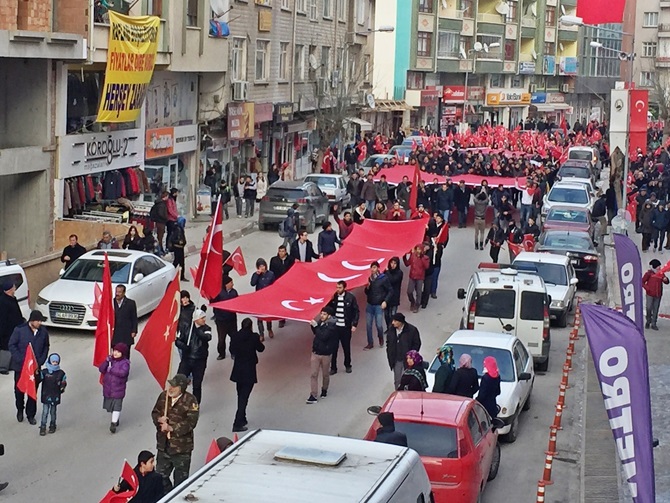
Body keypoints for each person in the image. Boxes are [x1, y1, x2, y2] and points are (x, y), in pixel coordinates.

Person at [151, 374, 200, 493]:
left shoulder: (190, 401)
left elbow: (191, 422)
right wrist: (159, 419)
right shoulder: (164, 396)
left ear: (182, 388)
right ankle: (168, 494)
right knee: (159, 477)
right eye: (170, 385)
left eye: (174, 386)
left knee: (181, 483)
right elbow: (155, 412)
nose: (171, 388)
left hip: (181, 449)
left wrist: (172, 428)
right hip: (164, 447)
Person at [9, 310, 49, 424]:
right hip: (21, 367)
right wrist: (21, 360)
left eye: (41, 321)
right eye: (38, 321)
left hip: (35, 368)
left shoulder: (43, 332)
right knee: (19, 391)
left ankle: (31, 414)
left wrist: (40, 361)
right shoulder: (19, 330)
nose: (40, 323)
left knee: (32, 392)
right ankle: (20, 410)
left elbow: (46, 346)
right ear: (32, 320)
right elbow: (12, 345)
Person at [230, 317, 265, 432]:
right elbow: (261, 349)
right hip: (249, 370)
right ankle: (237, 422)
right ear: (251, 326)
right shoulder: (254, 337)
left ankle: (242, 417)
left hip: (238, 370)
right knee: (244, 397)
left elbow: (232, 350)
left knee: (240, 395)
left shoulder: (235, 336)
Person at [175, 308, 212, 404]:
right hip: (186, 360)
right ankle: (179, 403)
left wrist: (197, 330)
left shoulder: (207, 328)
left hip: (199, 361)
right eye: (201, 318)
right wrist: (183, 346)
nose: (204, 319)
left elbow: (207, 337)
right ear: (195, 319)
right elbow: (177, 340)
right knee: (179, 382)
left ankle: (195, 406)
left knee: (197, 385)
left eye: (204, 317)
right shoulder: (186, 328)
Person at [306, 307, 339, 404]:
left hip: (326, 354)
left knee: (325, 375)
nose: (322, 316)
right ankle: (313, 395)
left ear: (329, 316)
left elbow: (323, 336)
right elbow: (316, 334)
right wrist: (313, 326)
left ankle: (324, 390)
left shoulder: (332, 326)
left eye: (324, 314)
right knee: (313, 374)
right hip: (316, 352)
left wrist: (316, 326)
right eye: (321, 314)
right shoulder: (320, 322)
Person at [327, 281, 359, 375]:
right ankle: (333, 367)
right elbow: (329, 310)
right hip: (335, 327)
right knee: (334, 348)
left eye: (340, 287)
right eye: (337, 287)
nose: (338, 289)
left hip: (345, 327)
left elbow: (356, 311)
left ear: (344, 288)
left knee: (346, 347)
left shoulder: (350, 297)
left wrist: (354, 324)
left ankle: (348, 365)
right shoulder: (334, 297)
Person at [99, 343, 130, 434]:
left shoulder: (125, 363)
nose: (115, 353)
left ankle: (113, 423)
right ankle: (116, 418)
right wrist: (106, 361)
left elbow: (123, 373)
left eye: (118, 352)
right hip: (108, 388)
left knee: (117, 406)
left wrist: (111, 370)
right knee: (111, 406)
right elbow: (101, 369)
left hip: (118, 388)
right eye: (115, 351)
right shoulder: (110, 361)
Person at [385, 313, 422, 390]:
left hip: (407, 360)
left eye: (395, 321)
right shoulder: (391, 330)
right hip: (396, 359)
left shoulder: (412, 330)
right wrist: (390, 354)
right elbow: (388, 343)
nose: (393, 323)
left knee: (406, 379)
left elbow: (417, 343)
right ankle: (398, 396)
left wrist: (412, 356)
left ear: (400, 322)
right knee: (397, 380)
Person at [364, 261, 392, 350]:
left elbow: (390, 291)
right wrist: (367, 288)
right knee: (368, 325)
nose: (373, 269)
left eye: (374, 267)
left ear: (378, 268)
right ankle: (370, 343)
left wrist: (385, 301)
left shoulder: (383, 278)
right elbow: (367, 293)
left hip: (378, 305)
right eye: (372, 267)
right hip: (370, 304)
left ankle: (381, 338)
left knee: (379, 325)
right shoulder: (369, 279)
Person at [38, 353, 66, 436]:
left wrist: (62, 387)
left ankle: (52, 425)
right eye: (53, 361)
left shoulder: (61, 373)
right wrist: (36, 374)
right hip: (46, 395)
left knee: (53, 412)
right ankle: (43, 426)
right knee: (45, 412)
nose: (55, 363)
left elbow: (63, 381)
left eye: (56, 362)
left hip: (55, 395)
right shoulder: (45, 372)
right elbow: (39, 379)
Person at [211, 277, 238, 360]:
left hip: (231, 319)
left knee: (234, 337)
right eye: (230, 282)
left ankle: (233, 352)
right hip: (221, 321)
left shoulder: (234, 292)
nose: (232, 284)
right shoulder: (218, 293)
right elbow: (213, 303)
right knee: (221, 338)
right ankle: (221, 353)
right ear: (226, 284)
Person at [250, 259, 276, 341]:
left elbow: (274, 284)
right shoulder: (256, 274)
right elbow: (252, 283)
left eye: (263, 266)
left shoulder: (271, 274)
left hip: (268, 297)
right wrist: (257, 275)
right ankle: (261, 333)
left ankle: (269, 329)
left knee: (268, 315)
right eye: (260, 266)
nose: (262, 268)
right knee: (260, 317)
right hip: (259, 298)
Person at [112, 285, 138, 359]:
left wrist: (134, 330)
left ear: (124, 293)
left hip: (126, 333)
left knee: (125, 353)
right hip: (115, 333)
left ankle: (125, 369)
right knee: (116, 353)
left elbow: (134, 318)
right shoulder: (111, 302)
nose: (117, 294)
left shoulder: (131, 303)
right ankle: (116, 368)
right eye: (116, 291)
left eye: (119, 292)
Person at [642, 259, 669, 330]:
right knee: (648, 308)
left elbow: (666, 281)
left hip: (658, 294)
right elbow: (642, 282)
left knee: (655, 309)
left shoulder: (661, 273)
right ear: (654, 267)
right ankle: (648, 320)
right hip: (650, 294)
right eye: (658, 266)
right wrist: (647, 288)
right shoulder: (648, 274)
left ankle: (654, 323)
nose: (659, 267)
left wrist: (666, 280)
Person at [403, 244, 429, 313]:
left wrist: (421, 257)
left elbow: (426, 266)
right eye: (417, 249)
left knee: (419, 292)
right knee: (409, 291)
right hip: (412, 276)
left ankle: (417, 305)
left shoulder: (425, 258)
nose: (418, 251)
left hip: (420, 277)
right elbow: (407, 263)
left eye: (419, 249)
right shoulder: (413, 256)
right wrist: (404, 257)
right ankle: (412, 301)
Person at [0, 280, 24, 354]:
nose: (15, 288)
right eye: (14, 286)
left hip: (17, 330)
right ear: (10, 289)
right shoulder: (3, 302)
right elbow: (3, 320)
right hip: (8, 334)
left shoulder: (13, 298)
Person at [384, 257, 403, 327]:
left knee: (392, 314)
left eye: (395, 263)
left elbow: (393, 280)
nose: (393, 265)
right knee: (386, 314)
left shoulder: (399, 273)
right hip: (386, 296)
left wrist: (387, 271)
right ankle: (388, 327)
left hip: (395, 296)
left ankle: (392, 329)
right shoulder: (386, 272)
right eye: (391, 263)